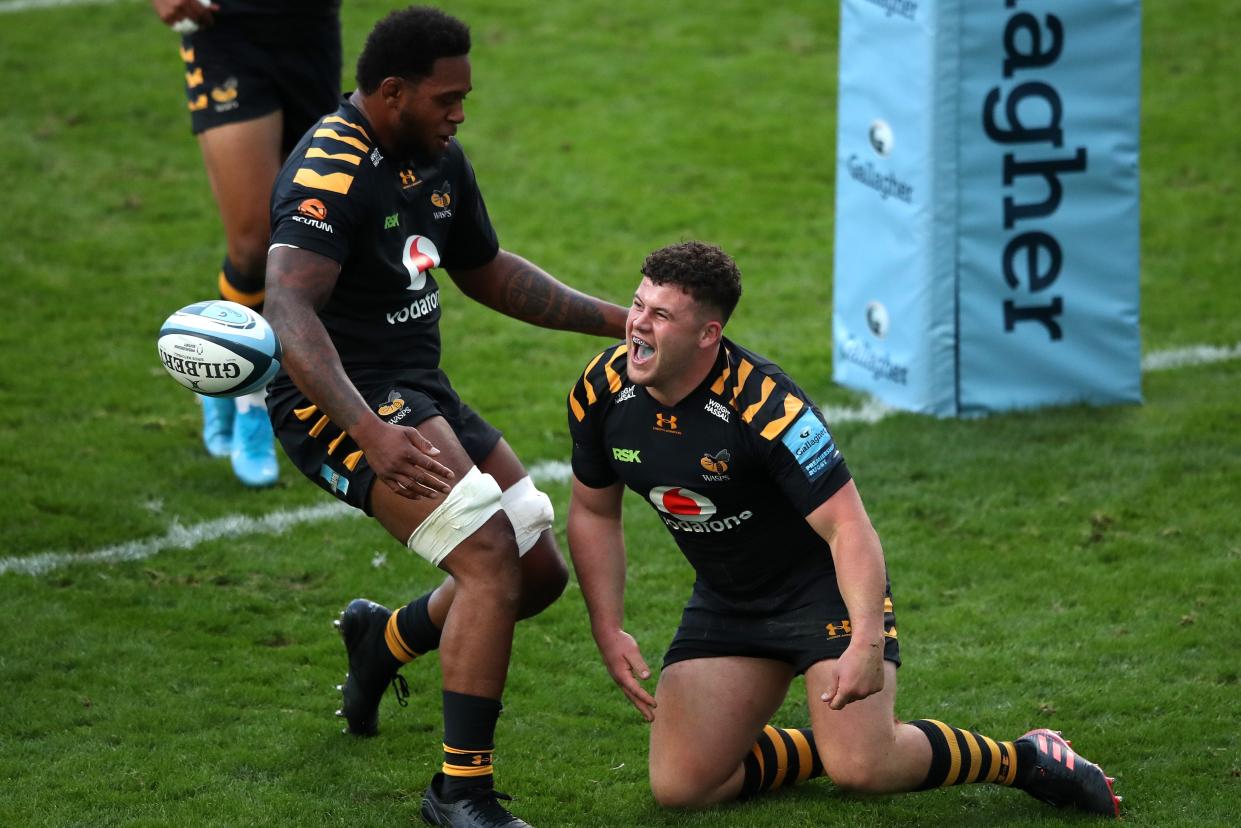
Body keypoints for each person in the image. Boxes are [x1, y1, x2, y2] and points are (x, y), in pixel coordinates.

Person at [565, 241, 1121, 818]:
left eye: (661, 315)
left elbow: (849, 527)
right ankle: (827, 746)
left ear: (708, 334)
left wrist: (867, 639)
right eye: (638, 305)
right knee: (681, 787)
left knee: (865, 768)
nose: (636, 325)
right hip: (728, 598)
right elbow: (594, 511)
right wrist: (607, 627)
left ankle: (1025, 757)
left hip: (819, 590)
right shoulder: (602, 391)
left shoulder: (768, 408)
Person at [261, 7, 628, 827]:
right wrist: (367, 431)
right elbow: (287, 309)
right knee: (492, 560)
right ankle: (458, 794)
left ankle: (381, 641)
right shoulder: (331, 171)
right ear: (391, 92)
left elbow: (487, 271)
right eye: (446, 97)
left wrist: (621, 323)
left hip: (417, 391)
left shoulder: (434, 158)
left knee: (537, 577)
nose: (460, 112)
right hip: (339, 402)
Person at [150, 0, 343, 486]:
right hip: (225, 29)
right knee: (255, 243)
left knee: (304, 232)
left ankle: (219, 379)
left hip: (310, 28)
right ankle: (249, 399)